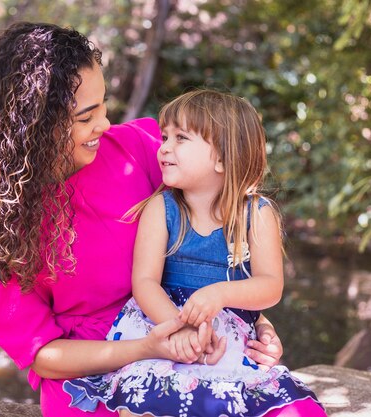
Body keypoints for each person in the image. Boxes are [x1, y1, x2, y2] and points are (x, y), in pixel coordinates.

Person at [0, 22, 285, 417]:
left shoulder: (138, 148)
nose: (104, 125)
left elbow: (218, 233)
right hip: (96, 368)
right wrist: (148, 347)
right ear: (34, 126)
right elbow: (43, 354)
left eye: (103, 107)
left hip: (192, 340)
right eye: (86, 117)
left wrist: (253, 323)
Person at [63, 90, 326, 416]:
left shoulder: (257, 214)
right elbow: (145, 281)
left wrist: (220, 295)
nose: (164, 148)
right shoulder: (162, 209)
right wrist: (180, 327)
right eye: (164, 137)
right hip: (166, 326)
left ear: (222, 158)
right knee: (158, 398)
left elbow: (270, 285)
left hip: (226, 337)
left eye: (181, 138)